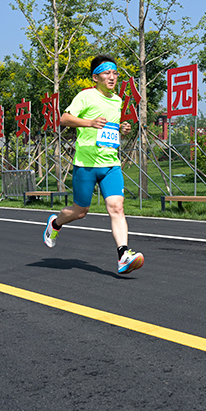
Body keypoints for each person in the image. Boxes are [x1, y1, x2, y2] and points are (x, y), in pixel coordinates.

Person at [42, 55, 144, 275]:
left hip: (110, 163)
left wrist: (121, 130)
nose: (112, 77)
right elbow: (64, 119)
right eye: (107, 73)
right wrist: (89, 122)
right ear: (95, 77)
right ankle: (56, 223)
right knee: (80, 211)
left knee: (117, 207)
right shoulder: (85, 96)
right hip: (85, 164)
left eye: (115, 73)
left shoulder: (117, 101)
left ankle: (123, 255)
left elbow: (109, 130)